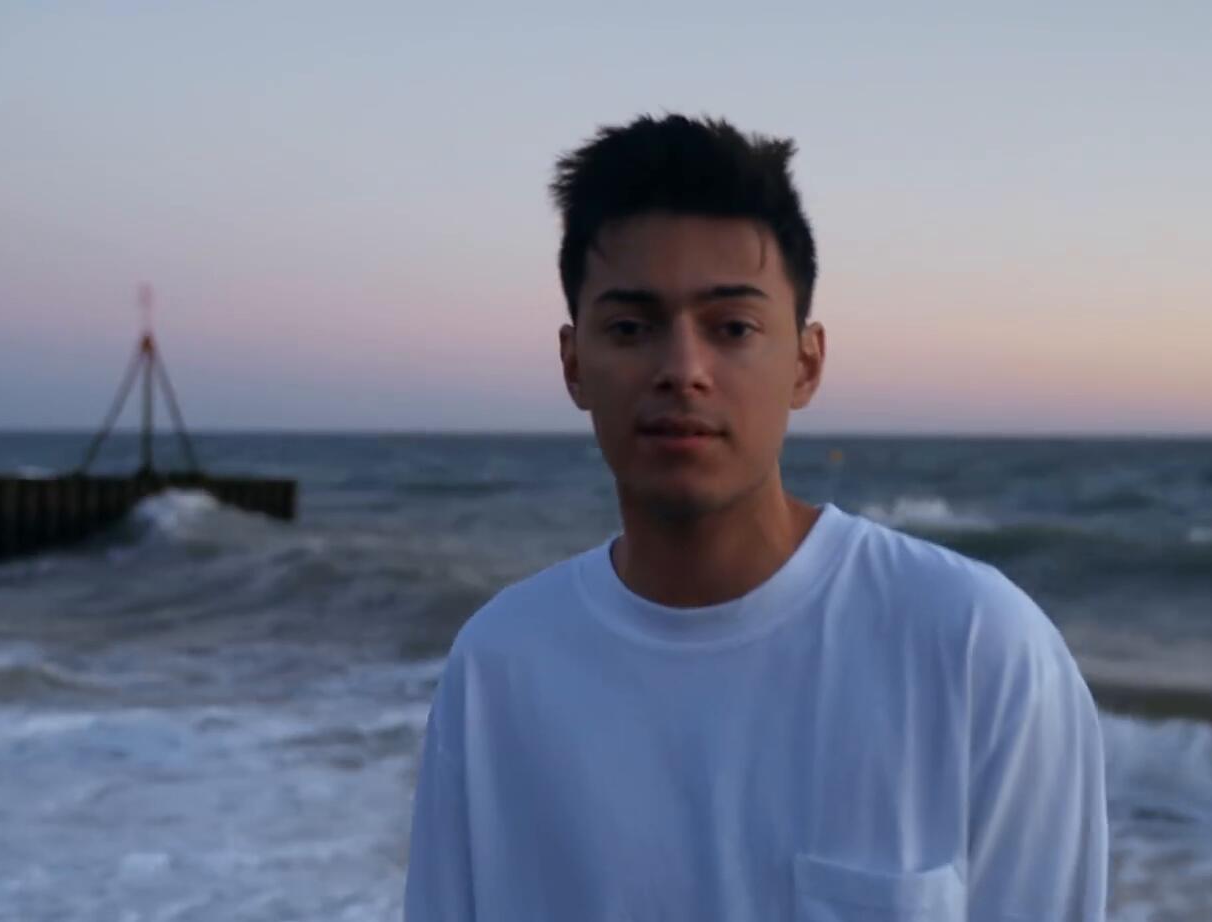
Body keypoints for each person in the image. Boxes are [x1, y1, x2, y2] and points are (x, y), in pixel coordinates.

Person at [404, 113, 1107, 921]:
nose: (682, 370)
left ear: (805, 362)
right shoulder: (500, 665)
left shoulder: (976, 646)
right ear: (573, 365)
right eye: (631, 328)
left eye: (732, 327)